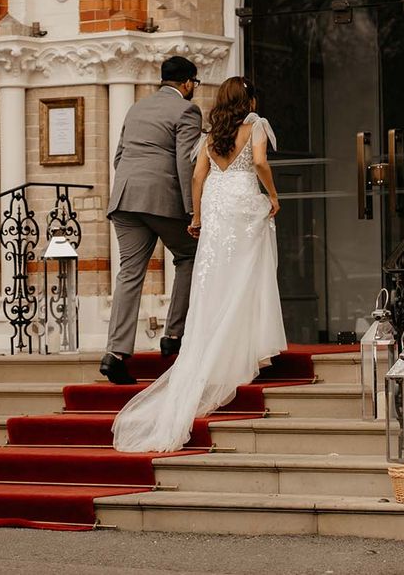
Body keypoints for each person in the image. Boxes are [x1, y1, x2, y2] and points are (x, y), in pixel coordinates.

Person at [112, 76, 287, 452]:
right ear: (248, 100)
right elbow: (259, 162)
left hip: (216, 206)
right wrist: (273, 196)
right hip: (242, 203)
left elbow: (197, 175)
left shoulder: (210, 135)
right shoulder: (255, 125)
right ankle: (252, 350)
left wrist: (196, 217)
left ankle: (214, 350)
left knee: (216, 280)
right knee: (247, 276)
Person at [99, 56, 202, 386]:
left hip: (125, 197)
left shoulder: (136, 108)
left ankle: (115, 353)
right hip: (161, 199)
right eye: (194, 84)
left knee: (129, 273)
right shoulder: (187, 111)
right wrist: (192, 211)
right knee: (189, 255)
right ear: (186, 83)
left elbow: (119, 157)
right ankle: (173, 335)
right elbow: (186, 163)